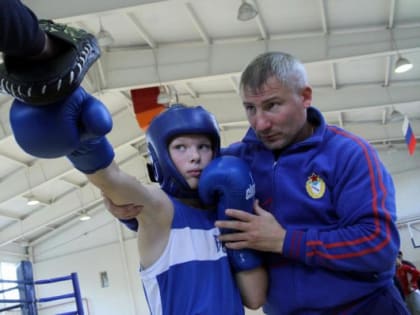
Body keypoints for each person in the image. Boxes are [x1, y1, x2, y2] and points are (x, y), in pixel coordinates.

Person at [106, 52, 410, 314]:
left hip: (364, 308)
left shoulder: (348, 153)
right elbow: (184, 197)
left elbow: (379, 245)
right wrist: (133, 213)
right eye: (250, 108)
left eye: (272, 105)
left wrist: (283, 240)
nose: (260, 123)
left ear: (305, 96)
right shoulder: (237, 162)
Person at [9, 87, 267, 314]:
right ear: (160, 156)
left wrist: (239, 240)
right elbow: (113, 179)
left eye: (203, 147)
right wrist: (87, 144)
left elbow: (254, 299)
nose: (195, 157)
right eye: (181, 147)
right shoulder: (161, 210)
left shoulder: (222, 217)